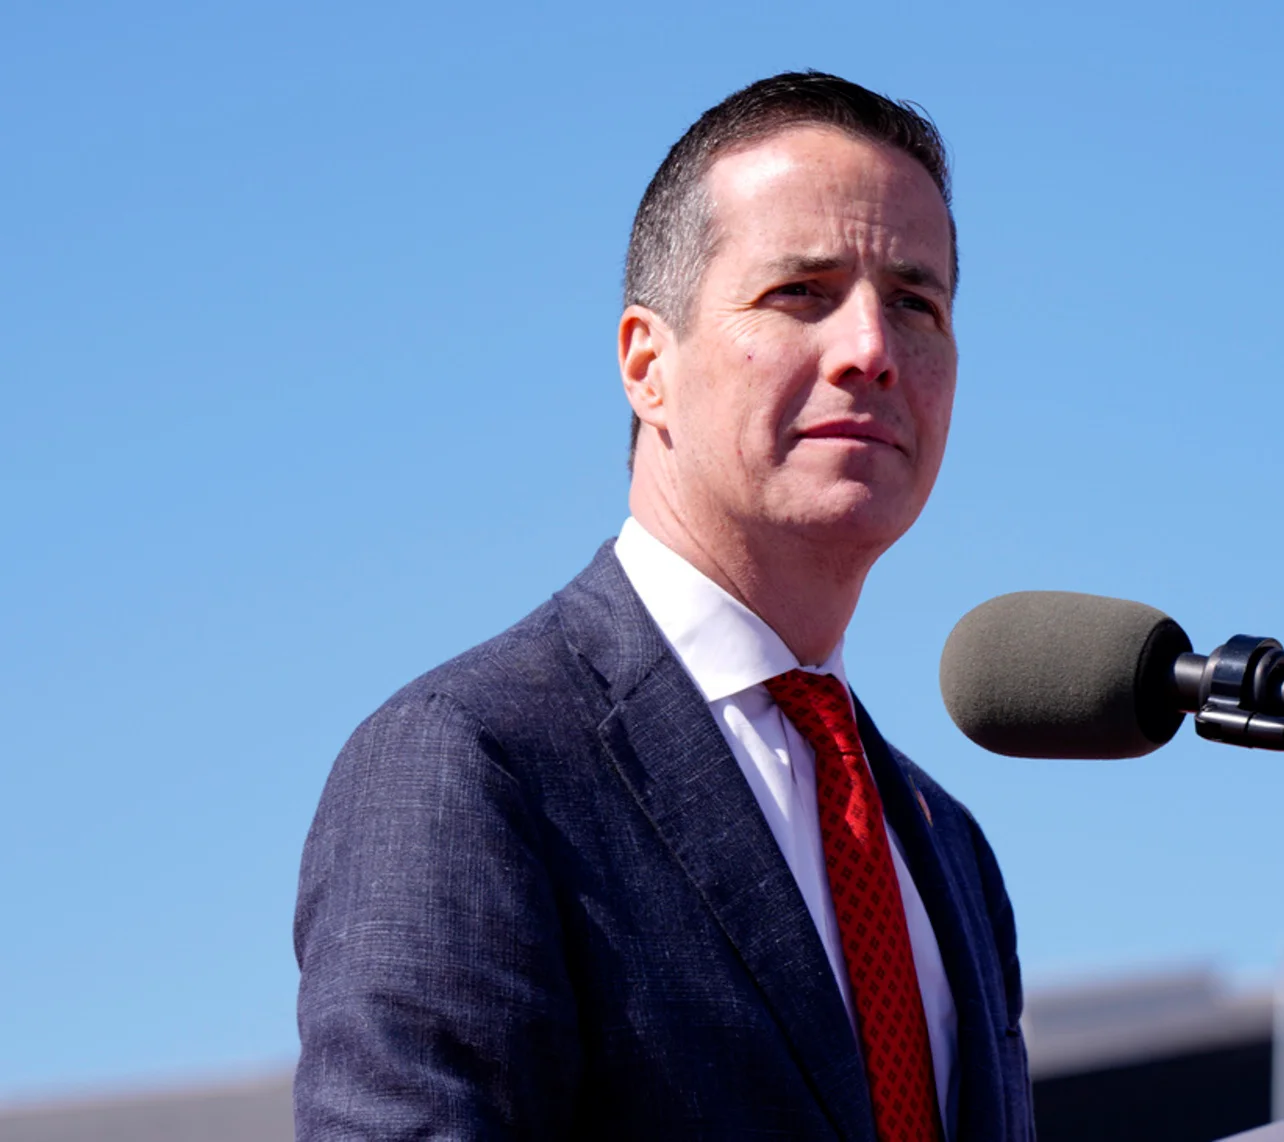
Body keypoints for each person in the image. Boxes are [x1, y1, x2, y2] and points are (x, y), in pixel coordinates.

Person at [294, 71, 1033, 1141]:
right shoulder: (470, 761)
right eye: (801, 291)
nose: (871, 349)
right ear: (647, 363)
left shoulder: (949, 848)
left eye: (916, 303)